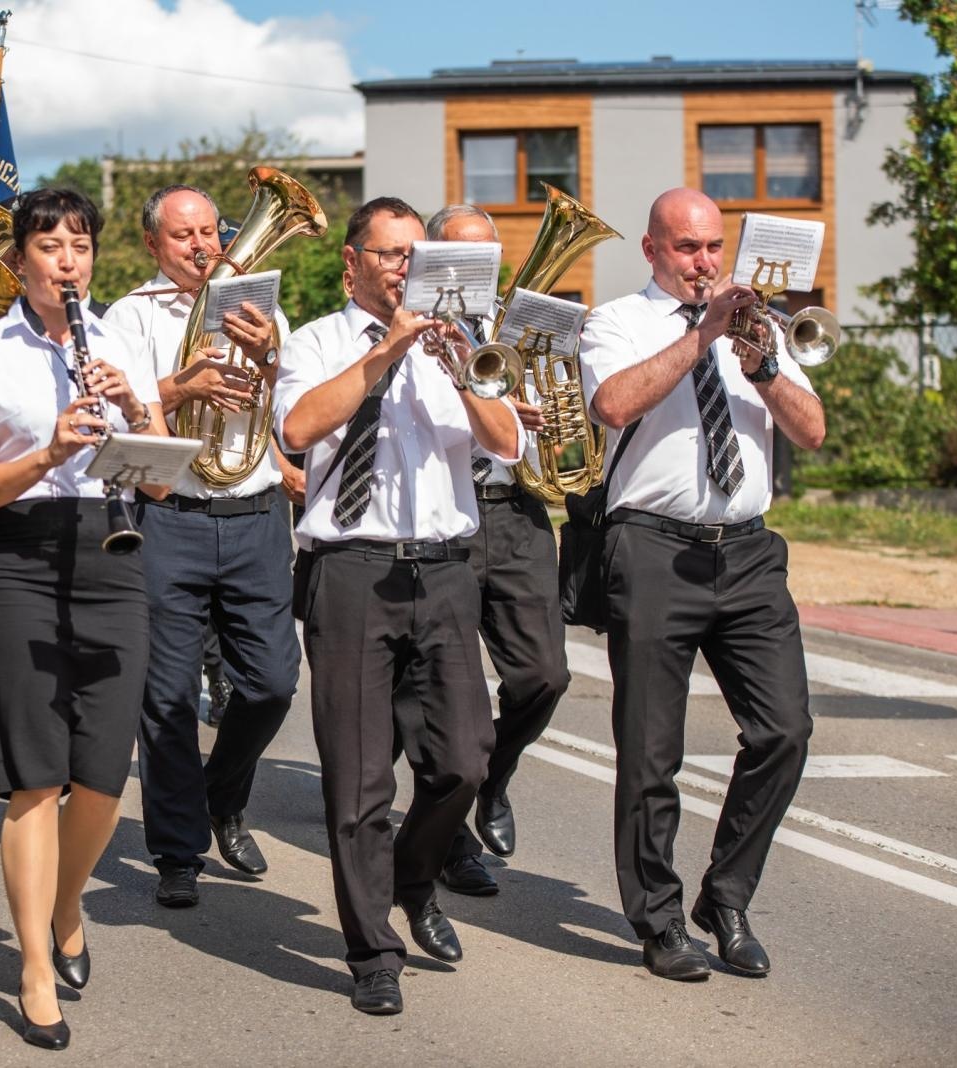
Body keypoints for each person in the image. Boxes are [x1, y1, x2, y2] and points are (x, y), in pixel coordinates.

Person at [274, 197, 524, 1016]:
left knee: (465, 760)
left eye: (415, 255)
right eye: (389, 255)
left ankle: (415, 879)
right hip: (350, 570)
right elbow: (301, 428)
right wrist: (386, 353)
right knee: (357, 783)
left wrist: (457, 366)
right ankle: (373, 950)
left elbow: (508, 442)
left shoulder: (459, 347)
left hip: (446, 569)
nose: (404, 268)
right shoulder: (317, 342)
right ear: (353, 264)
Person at [579, 187, 823, 981]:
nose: (706, 262)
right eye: (688, 248)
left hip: (747, 553)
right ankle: (657, 920)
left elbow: (811, 432)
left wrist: (760, 364)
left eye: (714, 246)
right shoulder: (616, 323)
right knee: (652, 751)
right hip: (652, 548)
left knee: (784, 730)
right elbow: (614, 404)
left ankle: (725, 895)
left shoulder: (762, 328)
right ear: (652, 250)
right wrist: (702, 336)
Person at [0, 188, 167, 1050]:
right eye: (49, 245)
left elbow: (156, 481)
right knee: (38, 773)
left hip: (112, 554)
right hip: (19, 557)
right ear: (20, 259)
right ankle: (35, 963)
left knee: (106, 774)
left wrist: (135, 412)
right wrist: (49, 450)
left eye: (79, 245)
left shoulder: (115, 343)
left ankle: (67, 901)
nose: (67, 260)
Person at [105, 184, 301, 908]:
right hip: (173, 518)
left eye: (211, 232)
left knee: (273, 682)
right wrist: (179, 386)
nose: (202, 246)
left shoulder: (257, 305)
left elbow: (282, 404)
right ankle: (177, 849)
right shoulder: (129, 314)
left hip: (252, 514)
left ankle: (222, 795)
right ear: (154, 244)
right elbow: (119, 406)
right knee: (167, 697)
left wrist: (271, 359)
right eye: (184, 236)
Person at [395, 205, 570, 899]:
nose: (474, 272)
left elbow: (566, 411)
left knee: (545, 674)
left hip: (515, 510)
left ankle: (493, 777)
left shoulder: (525, 322)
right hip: (441, 515)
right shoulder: (403, 321)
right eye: (458, 257)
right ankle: (453, 840)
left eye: (486, 259)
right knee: (440, 688)